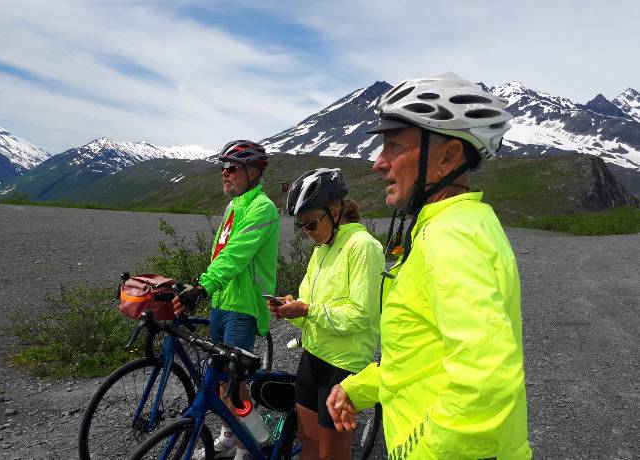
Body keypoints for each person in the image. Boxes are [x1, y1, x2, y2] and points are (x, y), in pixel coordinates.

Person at [326, 73, 532, 459]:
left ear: (448, 158)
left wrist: (426, 451)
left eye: (394, 147)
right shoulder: (454, 226)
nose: (378, 163)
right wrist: (356, 388)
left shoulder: (449, 237)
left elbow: (485, 382)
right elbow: (419, 356)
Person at [268, 168, 385, 460]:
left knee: (331, 454)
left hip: (343, 365)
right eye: (301, 226)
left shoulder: (364, 247)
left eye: (311, 224)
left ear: (335, 211)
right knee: (308, 443)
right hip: (313, 355)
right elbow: (309, 308)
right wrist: (290, 309)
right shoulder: (322, 248)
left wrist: (307, 309)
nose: (307, 233)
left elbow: (361, 315)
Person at [173, 140, 279, 460]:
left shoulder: (262, 207)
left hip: (243, 307)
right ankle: (229, 436)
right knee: (220, 381)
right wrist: (199, 286)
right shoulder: (235, 206)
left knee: (236, 385)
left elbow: (236, 256)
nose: (225, 174)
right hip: (223, 302)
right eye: (223, 168)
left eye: (231, 168)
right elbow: (220, 256)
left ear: (253, 171)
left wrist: (202, 287)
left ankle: (251, 448)